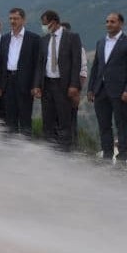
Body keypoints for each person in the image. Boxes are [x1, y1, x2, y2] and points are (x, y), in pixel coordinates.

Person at [87, 11, 127, 163]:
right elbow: (96, 66)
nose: (109, 24)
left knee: (121, 124)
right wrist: (91, 88)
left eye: (112, 22)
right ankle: (107, 156)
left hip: (120, 91)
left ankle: (122, 157)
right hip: (100, 90)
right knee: (104, 125)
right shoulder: (101, 42)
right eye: (107, 21)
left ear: (120, 24)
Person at [34, 10, 83, 151]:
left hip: (64, 85)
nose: (43, 27)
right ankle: (50, 152)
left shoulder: (72, 37)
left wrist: (74, 84)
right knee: (48, 121)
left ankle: (65, 152)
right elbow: (40, 64)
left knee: (64, 120)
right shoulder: (44, 40)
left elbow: (76, 62)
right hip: (47, 84)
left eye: (45, 24)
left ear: (54, 22)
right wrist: (37, 85)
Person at [0, 8, 39, 136]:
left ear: (23, 20)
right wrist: (0, 84)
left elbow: (37, 64)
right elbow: (1, 62)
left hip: (25, 83)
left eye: (15, 18)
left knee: (25, 117)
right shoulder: (4, 38)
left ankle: (25, 149)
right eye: (10, 18)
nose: (12, 21)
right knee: (10, 117)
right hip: (8, 82)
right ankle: (11, 149)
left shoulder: (33, 39)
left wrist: (35, 85)